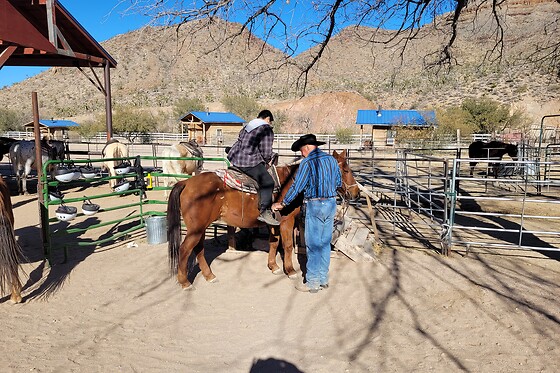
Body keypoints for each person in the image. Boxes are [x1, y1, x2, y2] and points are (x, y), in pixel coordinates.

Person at [272, 134, 341, 293]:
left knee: (313, 244)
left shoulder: (307, 162)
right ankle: (323, 279)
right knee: (324, 243)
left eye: (302, 151)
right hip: (330, 203)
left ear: (307, 148)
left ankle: (312, 282)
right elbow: (338, 182)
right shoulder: (331, 160)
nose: (302, 154)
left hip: (314, 204)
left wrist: (283, 203)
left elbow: (297, 187)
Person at [227, 109, 279, 226]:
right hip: (249, 162)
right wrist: (268, 160)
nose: (270, 124)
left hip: (236, 159)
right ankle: (264, 211)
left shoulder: (248, 126)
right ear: (268, 119)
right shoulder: (266, 129)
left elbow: (240, 141)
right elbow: (266, 151)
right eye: (270, 122)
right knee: (268, 182)